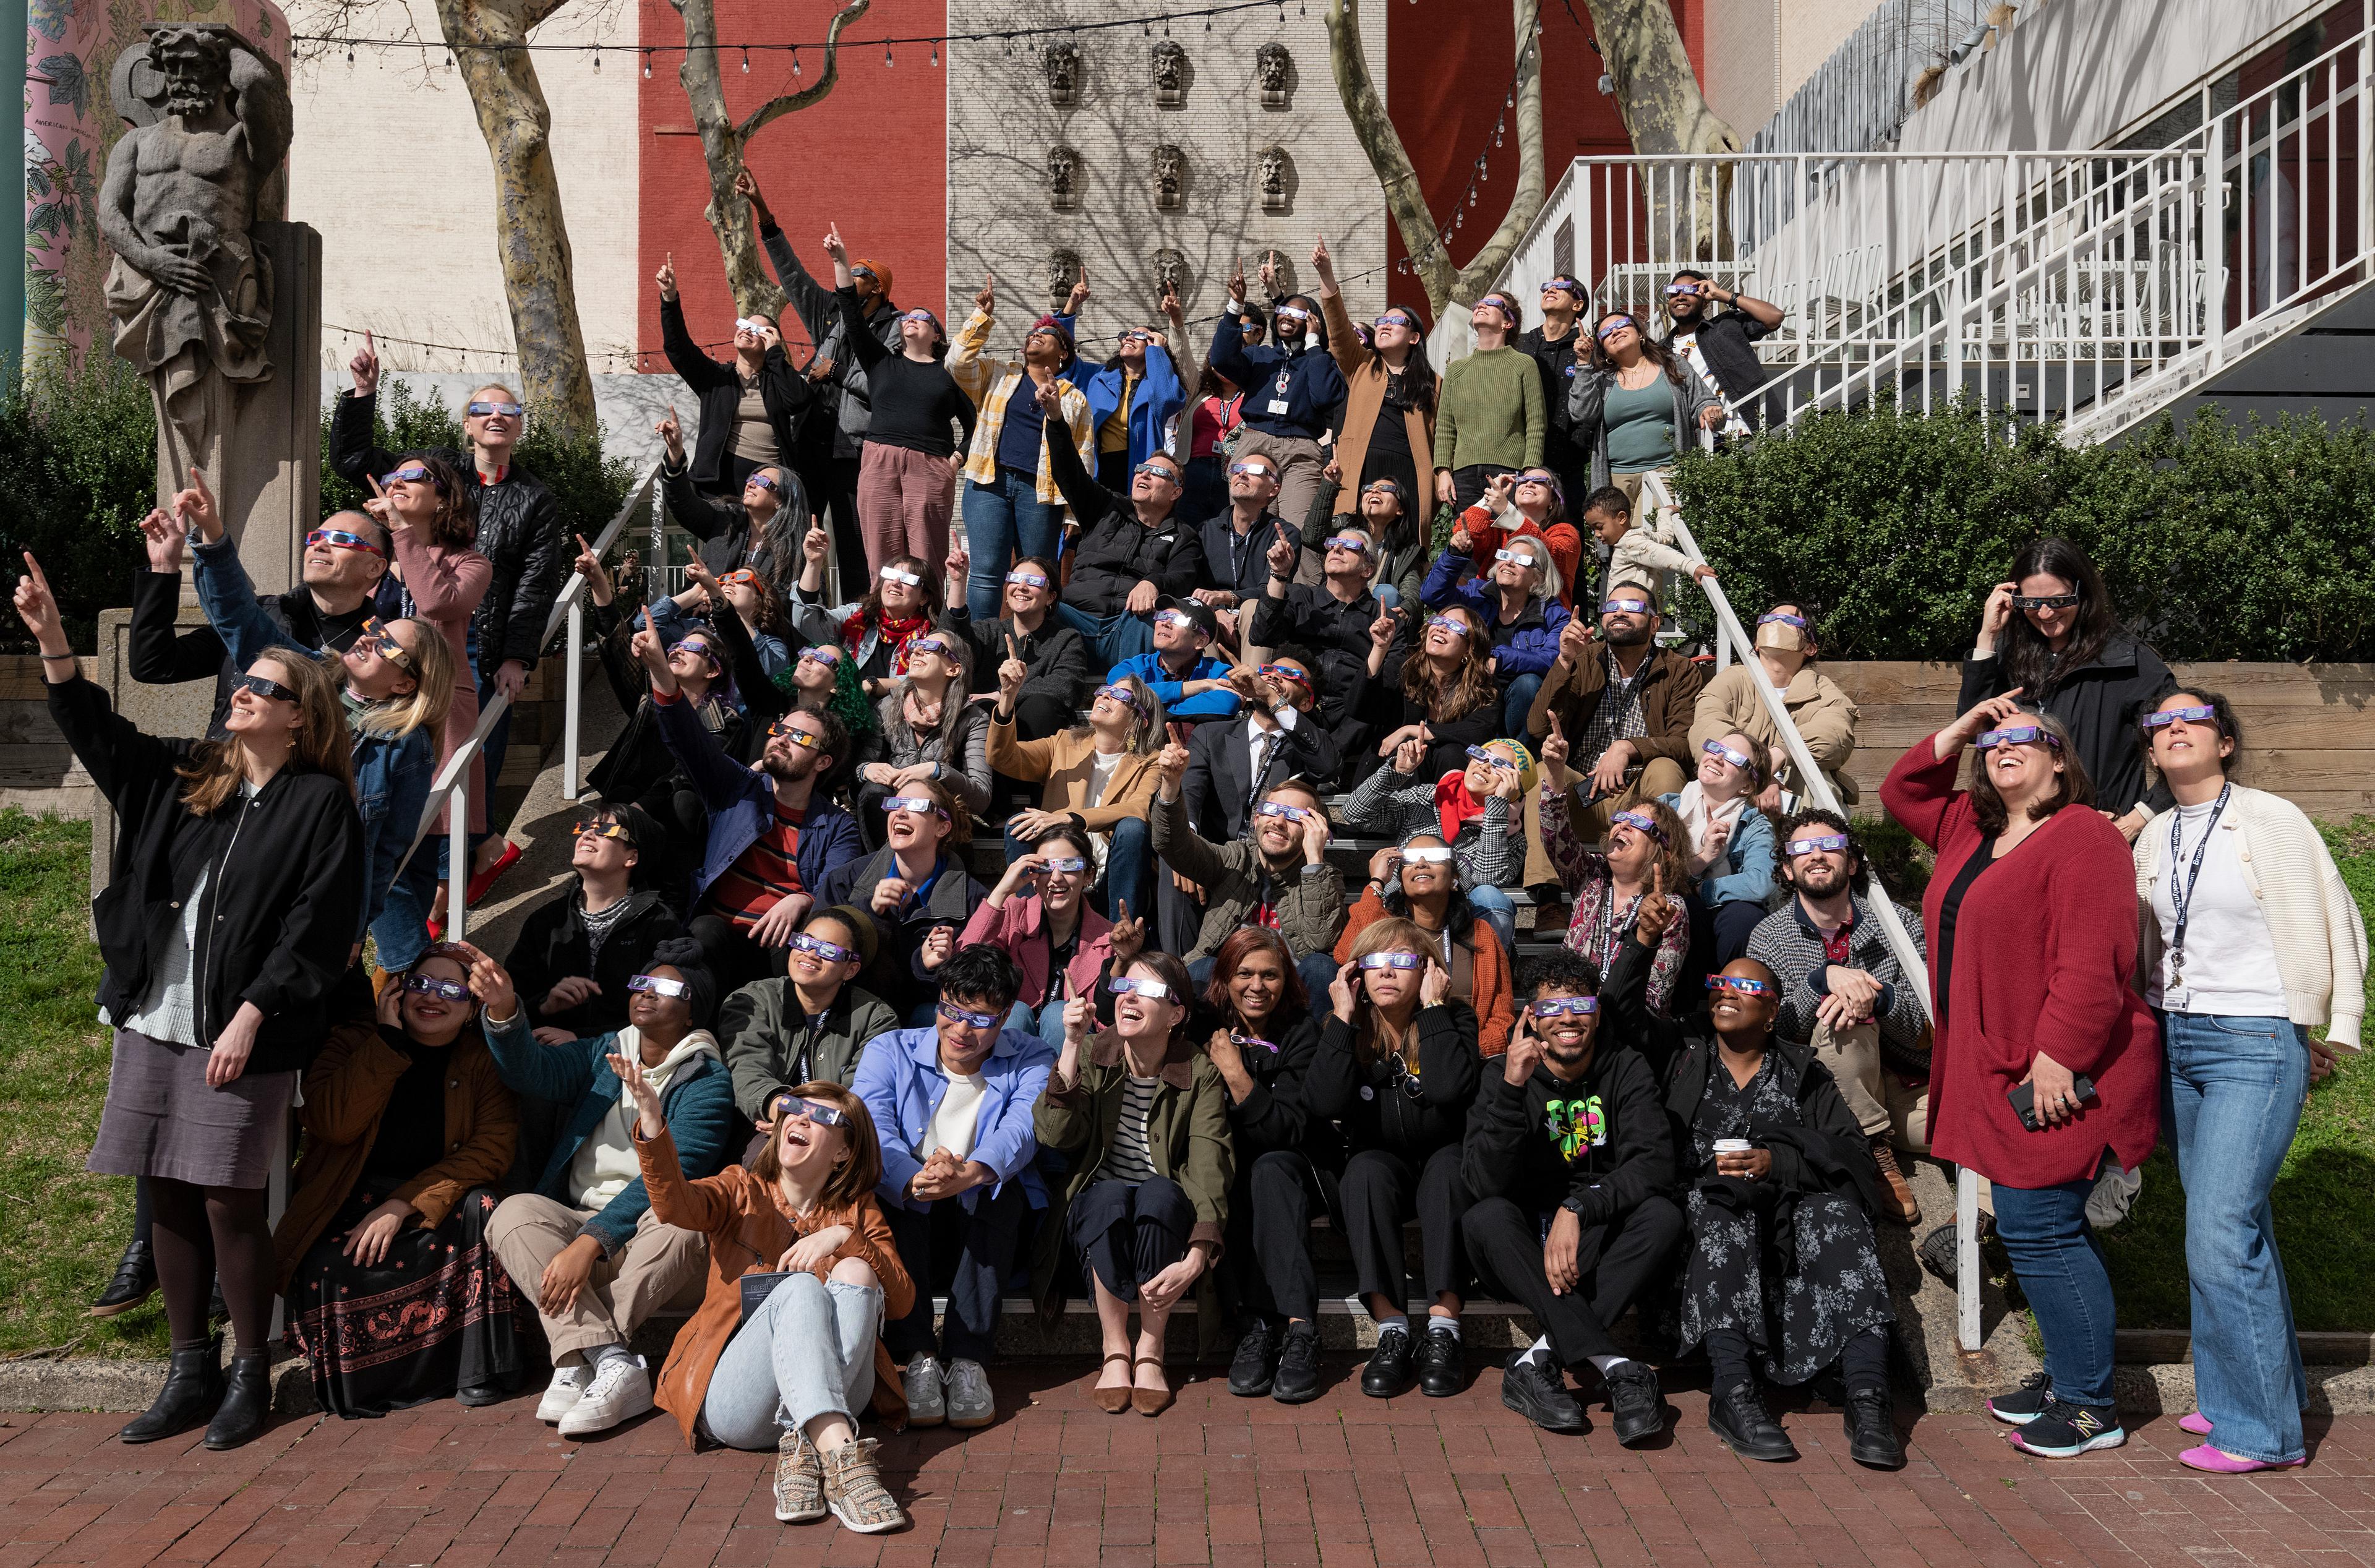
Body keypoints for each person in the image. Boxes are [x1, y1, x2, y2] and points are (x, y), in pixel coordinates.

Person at [22, 548, 363, 1449]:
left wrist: (253, 1013)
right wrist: (58, 645)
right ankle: (188, 1367)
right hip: (154, 1016)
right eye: (241, 680)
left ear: (299, 715)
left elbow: (317, 927)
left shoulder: (319, 804)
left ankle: (250, 1370)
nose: (241, 689)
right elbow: (104, 740)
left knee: (226, 1199)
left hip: (242, 1028)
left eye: (262, 683)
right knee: (165, 1193)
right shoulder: (192, 778)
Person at [1882, 696, 2162, 1459]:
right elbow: (1902, 791)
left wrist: (2059, 1053)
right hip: (1997, 1062)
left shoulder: (2082, 837)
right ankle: (2075, 1370)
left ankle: (2088, 1405)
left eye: (2024, 738)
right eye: (1994, 741)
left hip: (2054, 1069)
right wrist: (1961, 727)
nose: (2004, 747)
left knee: (2041, 1230)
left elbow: (2093, 959)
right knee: (2040, 1228)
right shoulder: (1970, 829)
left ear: (2060, 758)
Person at [2133, 690, 2364, 1473]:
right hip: (2179, 1037)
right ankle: (2250, 1392)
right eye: (2159, 724)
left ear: (2226, 741)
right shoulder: (2157, 833)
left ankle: (2263, 1434)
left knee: (2218, 1232)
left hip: (2253, 1040)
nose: (2173, 730)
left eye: (2190, 719)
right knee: (2236, 1225)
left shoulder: (2273, 818)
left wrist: (2324, 1022)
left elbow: (2332, 914)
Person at [1605, 903, 1906, 1471]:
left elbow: (1851, 1157)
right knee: (1721, 1209)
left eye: (1744, 986)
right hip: (1703, 1247)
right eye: (1720, 982)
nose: (1725, 992)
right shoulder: (1682, 1051)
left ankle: (1869, 1396)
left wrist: (1777, 1161)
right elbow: (1621, 1013)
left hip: (1787, 1240)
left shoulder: (1801, 1070)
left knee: (1839, 1214)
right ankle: (1733, 1391)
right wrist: (1643, 939)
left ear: (1772, 1013)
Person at [168, 497, 453, 975]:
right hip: (254, 860)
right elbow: (243, 621)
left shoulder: (407, 749)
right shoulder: (315, 684)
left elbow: (381, 853)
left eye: (386, 643)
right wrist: (214, 539)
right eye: (375, 631)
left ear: (406, 683)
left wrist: (355, 927)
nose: (367, 637)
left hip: (315, 899)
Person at [625, 1063, 914, 1535]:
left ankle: (806, 1443)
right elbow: (674, 1204)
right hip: (741, 1402)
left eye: (820, 1116)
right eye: (794, 1109)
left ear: (843, 1152)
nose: (799, 1119)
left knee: (858, 1267)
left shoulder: (858, 1209)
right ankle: (844, 1459)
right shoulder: (741, 1188)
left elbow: (901, 1302)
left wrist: (845, 1236)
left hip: (843, 1390)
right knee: (798, 1286)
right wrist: (653, 1118)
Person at [477, 940, 734, 1437]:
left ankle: (579, 1352)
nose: (645, 993)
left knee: (679, 1221)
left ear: (691, 1008)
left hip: (649, 1244)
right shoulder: (605, 1051)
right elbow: (532, 1072)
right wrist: (505, 1009)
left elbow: (672, 1178)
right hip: (578, 1225)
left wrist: (590, 1241)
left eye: (665, 987)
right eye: (641, 982)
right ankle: (610, 1358)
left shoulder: (708, 1080)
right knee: (512, 1212)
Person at [333, 351, 563, 901]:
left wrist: (519, 656)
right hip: (410, 639)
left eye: (508, 411)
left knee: (470, 765)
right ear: (467, 424)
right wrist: (364, 395)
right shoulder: (437, 470)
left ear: (519, 428)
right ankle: (468, 861)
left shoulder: (534, 498)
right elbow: (356, 458)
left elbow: (535, 582)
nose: (495, 417)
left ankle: (449, 882)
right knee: (419, 760)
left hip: (482, 646)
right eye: (483, 409)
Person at [278, 951, 521, 1422]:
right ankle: (366, 1385)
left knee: (486, 1205)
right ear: (397, 990)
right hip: (347, 1201)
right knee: (330, 1265)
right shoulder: (351, 1042)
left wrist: (403, 1203)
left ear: (472, 1008)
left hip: (432, 1204)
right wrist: (387, 1041)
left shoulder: (480, 1061)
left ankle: (477, 1371)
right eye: (422, 983)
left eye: (452, 990)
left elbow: (493, 1148)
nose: (433, 996)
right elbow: (333, 1123)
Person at [1458, 949, 1677, 1442]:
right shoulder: (1500, 1075)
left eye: (1579, 1003)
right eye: (1552, 1008)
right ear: (1531, 1018)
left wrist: (1579, 1207)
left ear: (1597, 1010)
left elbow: (1655, 1163)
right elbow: (1482, 1183)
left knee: (1662, 1215)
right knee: (1486, 1216)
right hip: (1519, 1247)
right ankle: (1615, 1363)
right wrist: (1513, 1089)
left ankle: (1537, 1360)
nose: (1568, 1018)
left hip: (1590, 1236)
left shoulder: (1626, 1067)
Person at [850, 943, 1055, 1431]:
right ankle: (919, 1356)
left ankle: (968, 1360)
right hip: (913, 1207)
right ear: (939, 1000)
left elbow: (1023, 1129)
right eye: (951, 1011)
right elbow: (872, 1124)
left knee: (1003, 1192)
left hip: (982, 1214)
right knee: (892, 1200)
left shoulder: (1032, 1056)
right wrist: (914, 1177)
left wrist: (972, 1172)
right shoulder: (890, 1049)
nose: (961, 1030)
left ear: (1007, 1015)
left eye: (980, 1019)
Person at [1034, 952, 1232, 1416]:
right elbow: (1055, 1136)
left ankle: (1151, 1348)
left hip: (1163, 1216)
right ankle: (1115, 1348)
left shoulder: (1198, 1070)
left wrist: (1199, 1253)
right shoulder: (1093, 1052)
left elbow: (1210, 1163)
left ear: (1177, 1013)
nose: (1129, 997)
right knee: (1107, 1196)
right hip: (1099, 1214)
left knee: (1159, 1192)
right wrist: (1070, 1043)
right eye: (1125, 987)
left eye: (1147, 991)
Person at [1305, 919, 1483, 1399]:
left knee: (1451, 1168)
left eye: (1403, 960)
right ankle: (1392, 1330)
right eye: (1375, 961)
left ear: (1428, 971)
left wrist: (1433, 1010)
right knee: (1362, 1170)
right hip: (1384, 1166)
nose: (1387, 971)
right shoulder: (1347, 1027)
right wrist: (1342, 1018)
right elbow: (1322, 1103)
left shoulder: (1455, 1019)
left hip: (1442, 1158)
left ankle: (1445, 1327)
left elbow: (1450, 1090)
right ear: (1356, 973)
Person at [642, 642, 863, 995]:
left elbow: (836, 889)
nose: (782, 740)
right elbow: (689, 739)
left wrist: (803, 898)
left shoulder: (838, 826)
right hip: (718, 941)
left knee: (799, 945)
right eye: (781, 731)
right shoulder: (739, 788)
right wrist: (659, 669)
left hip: (780, 949)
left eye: (800, 738)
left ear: (823, 762)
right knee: (704, 930)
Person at [1746, 812, 1932, 1227]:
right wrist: (1821, 980)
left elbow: (1927, 1032)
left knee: (1989, 1128)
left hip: (1908, 1087)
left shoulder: (1901, 926)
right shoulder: (1767, 936)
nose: (1816, 855)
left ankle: (1979, 1220)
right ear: (1787, 869)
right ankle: (1869, 1151)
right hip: (1829, 1095)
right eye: (1801, 849)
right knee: (1842, 1015)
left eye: (1829, 846)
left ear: (1851, 863)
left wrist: (1879, 1000)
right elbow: (1771, 1033)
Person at [739, 168, 905, 602]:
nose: (852, 273)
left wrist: (833, 373)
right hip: (811, 440)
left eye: (863, 272)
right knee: (796, 536)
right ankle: (789, 615)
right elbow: (791, 275)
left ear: (879, 289)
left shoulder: (895, 328)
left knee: (854, 544)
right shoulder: (829, 312)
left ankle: (855, 621)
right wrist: (763, 211)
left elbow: (885, 382)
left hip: (855, 450)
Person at [127, 482, 387, 737]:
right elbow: (155, 665)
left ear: (375, 567)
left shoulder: (381, 647)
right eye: (316, 537)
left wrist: (215, 539)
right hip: (226, 770)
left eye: (341, 539)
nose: (319, 545)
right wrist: (164, 569)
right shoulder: (264, 612)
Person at [1961, 538, 2175, 839]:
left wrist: (2137, 819)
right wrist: (1988, 637)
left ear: (2082, 592)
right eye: (2032, 603)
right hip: (2019, 836)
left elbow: (2190, 747)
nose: (2046, 614)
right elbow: (1975, 731)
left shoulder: (2129, 661)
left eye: (2059, 601)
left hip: (2094, 838)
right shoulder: (2008, 655)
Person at [1205, 929, 1337, 1404]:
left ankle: (1300, 1329)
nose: (1257, 985)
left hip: (1299, 1166)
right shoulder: (1208, 1022)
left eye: (1270, 974)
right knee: (1231, 1170)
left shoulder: (1301, 1031)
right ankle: (1256, 1326)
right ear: (1225, 977)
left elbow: (1285, 1129)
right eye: (1244, 973)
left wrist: (1236, 1073)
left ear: (1287, 981)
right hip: (1231, 1168)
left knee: (1268, 1167)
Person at [364, 454, 494, 901]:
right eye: (391, 476)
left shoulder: (470, 562)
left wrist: (401, 531)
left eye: (412, 476)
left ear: (443, 497)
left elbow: (439, 604)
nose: (396, 482)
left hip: (438, 708)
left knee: (438, 842)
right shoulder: (377, 562)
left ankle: (429, 952)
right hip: (378, 705)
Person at [1523, 588, 1705, 883]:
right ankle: (1548, 896)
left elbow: (1685, 743)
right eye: (1612, 606)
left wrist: (1626, 748)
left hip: (1642, 797)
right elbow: (1538, 728)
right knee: (1546, 771)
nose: (1620, 612)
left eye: (1632, 606)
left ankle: (1659, 885)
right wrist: (1565, 662)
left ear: (1655, 623)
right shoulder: (1584, 659)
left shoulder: (1679, 670)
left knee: (1666, 769)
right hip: (1584, 794)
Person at [823, 223, 974, 574]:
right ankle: (885, 624)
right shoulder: (880, 362)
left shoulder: (948, 375)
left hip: (931, 465)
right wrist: (841, 262)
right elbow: (852, 318)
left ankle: (932, 625)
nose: (912, 319)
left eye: (923, 318)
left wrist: (955, 460)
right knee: (880, 553)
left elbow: (975, 424)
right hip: (880, 460)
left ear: (936, 334)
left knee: (926, 557)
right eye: (909, 316)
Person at [946, 273, 1096, 622]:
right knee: (985, 572)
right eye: (1031, 334)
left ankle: (1034, 647)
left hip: (1041, 494)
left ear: (1063, 353)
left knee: (1036, 575)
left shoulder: (1073, 398)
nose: (1035, 336)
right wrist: (980, 318)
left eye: (1045, 334)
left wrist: (1075, 512)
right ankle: (981, 647)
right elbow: (955, 364)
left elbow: (1082, 458)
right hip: (988, 486)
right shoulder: (997, 374)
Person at [1149, 743, 1345, 1008]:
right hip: (1230, 987)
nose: (1278, 822)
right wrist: (1171, 786)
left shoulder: (1323, 876)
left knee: (1321, 967)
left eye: (1295, 816)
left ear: (1315, 829)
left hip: (1290, 995)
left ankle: (1317, 1048)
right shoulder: (1235, 858)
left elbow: (1323, 942)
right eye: (1272, 810)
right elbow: (1172, 844)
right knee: (1200, 969)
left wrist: (1314, 862)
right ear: (1256, 819)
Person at [1041, 384, 1210, 669]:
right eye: (1141, 468)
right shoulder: (1105, 506)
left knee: (1153, 616)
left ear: (1175, 492)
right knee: (1040, 603)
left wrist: (1152, 582)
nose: (1144, 474)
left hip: (1128, 625)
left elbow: (1182, 577)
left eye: (1157, 472)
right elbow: (1068, 471)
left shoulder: (1185, 536)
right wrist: (1057, 420)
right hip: (1077, 617)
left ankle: (1130, 695)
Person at [1538, 716, 1694, 1018]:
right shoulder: (1592, 879)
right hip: (1571, 1017)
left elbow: (1654, 998)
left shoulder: (1670, 909)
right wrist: (1556, 772)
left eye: (1637, 823)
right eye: (1620, 820)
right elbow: (1555, 836)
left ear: (1663, 848)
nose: (1622, 826)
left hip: (1628, 1032)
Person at [579, 543, 744, 820]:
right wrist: (597, 581)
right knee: (620, 794)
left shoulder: (725, 721)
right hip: (629, 809)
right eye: (677, 645)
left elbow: (686, 775)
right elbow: (616, 647)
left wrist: (639, 810)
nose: (678, 649)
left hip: (676, 820)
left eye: (691, 648)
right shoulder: (650, 700)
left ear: (712, 671)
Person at [987, 665, 1165, 921]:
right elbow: (1002, 757)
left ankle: (1121, 935)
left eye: (1120, 696)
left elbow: (1138, 808)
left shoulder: (1153, 761)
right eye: (1104, 690)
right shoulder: (1063, 743)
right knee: (1018, 826)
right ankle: (1031, 924)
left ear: (1141, 719)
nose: (1104, 696)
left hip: (1113, 877)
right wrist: (1007, 698)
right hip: (1059, 870)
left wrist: (1070, 818)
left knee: (1132, 828)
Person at [502, 804, 686, 1045]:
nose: (587, 834)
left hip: (624, 1059)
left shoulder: (658, 923)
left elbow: (664, 1013)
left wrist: (582, 1039)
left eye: (607, 830)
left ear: (632, 857)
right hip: (548, 1056)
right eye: (585, 827)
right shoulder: (546, 920)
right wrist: (545, 1005)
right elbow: (509, 1004)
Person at [813, 779, 989, 1021]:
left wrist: (932, 968)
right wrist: (868, 913)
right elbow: (817, 953)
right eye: (895, 803)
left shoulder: (972, 898)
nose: (901, 812)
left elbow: (974, 991)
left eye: (916, 805)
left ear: (942, 828)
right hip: (853, 1013)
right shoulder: (846, 880)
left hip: (925, 1017)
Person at [719, 906, 900, 1133]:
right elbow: (746, 1071)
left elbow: (860, 1094)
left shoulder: (876, 1018)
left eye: (829, 950)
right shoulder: (753, 1000)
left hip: (833, 1134)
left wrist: (806, 1120)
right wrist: (786, 1112)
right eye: (805, 942)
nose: (811, 954)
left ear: (851, 970)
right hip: (762, 1126)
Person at [1340, 735, 1528, 950]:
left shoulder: (1513, 839)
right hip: (1403, 907)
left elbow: (1488, 879)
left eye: (1500, 766)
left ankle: (1488, 971)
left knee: (1491, 897)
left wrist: (1497, 806)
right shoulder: (1427, 798)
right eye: (1481, 755)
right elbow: (1355, 814)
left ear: (1516, 785)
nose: (1485, 766)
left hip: (1459, 924)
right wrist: (1397, 772)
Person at [1336, 833, 1516, 1056]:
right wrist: (1377, 882)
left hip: (1464, 1060)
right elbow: (1345, 955)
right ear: (1401, 882)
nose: (1421, 863)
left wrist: (1467, 1055)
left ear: (1454, 880)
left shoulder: (1481, 933)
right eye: (1409, 860)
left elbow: (1502, 1017)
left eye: (1434, 857)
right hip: (1394, 1057)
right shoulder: (1385, 929)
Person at [651, 246, 807, 496]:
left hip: (771, 493)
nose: (746, 330)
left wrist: (776, 355)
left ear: (770, 341)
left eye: (757, 330)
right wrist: (670, 299)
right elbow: (677, 348)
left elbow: (800, 401)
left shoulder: (779, 382)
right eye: (744, 324)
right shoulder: (717, 379)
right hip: (718, 491)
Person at [1312, 237, 1435, 551]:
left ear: (1414, 337)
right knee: (1354, 539)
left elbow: (1444, 433)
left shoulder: (1434, 382)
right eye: (1382, 320)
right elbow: (1338, 331)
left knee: (1403, 545)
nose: (1384, 325)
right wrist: (1327, 277)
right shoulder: (1362, 366)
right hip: (1362, 464)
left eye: (1396, 321)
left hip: (1409, 469)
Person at [1208, 256, 1347, 528]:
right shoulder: (1260, 356)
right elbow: (1222, 360)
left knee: (1297, 528)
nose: (1288, 317)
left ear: (1312, 323)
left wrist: (1314, 345)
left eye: (1299, 315)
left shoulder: (1319, 360)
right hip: (1254, 441)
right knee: (1248, 524)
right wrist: (1235, 305)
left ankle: (1299, 573)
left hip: (1301, 449)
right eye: (1284, 311)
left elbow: (1325, 397)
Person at [963, 824, 1121, 1047]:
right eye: (1045, 867)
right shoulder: (1012, 914)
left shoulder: (1109, 938)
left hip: (1072, 1048)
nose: (1056, 878)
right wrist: (1001, 891)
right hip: (1012, 1035)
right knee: (1015, 1011)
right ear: (1033, 877)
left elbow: (1110, 1022)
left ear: (1088, 875)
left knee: (1059, 1015)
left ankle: (1060, 1083)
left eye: (1068, 865)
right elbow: (964, 968)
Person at [1692, 604, 1860, 808]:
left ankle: (1813, 838)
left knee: (1817, 776)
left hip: (1795, 795)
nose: (1776, 623)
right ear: (1756, 643)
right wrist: (1758, 774)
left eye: (1789, 620)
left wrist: (1779, 755)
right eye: (1769, 619)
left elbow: (1835, 734)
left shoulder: (1824, 691)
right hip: (1737, 786)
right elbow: (1706, 724)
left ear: (1810, 647)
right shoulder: (1731, 679)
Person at [1419, 517, 1571, 737]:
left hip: (1518, 698)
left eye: (1520, 560)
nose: (1509, 562)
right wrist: (1455, 555)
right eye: (1505, 555)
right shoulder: (1476, 594)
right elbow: (1432, 596)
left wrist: (1499, 660)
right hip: (1471, 687)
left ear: (1537, 578)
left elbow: (1553, 660)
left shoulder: (1554, 615)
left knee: (1527, 684)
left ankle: (1517, 754)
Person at [1248, 521, 1385, 766]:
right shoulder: (1301, 596)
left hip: (1352, 711)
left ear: (1367, 570)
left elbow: (1393, 673)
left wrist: (1381, 647)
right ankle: (1322, 764)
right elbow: (1261, 635)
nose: (1337, 549)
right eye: (1333, 544)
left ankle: (1328, 761)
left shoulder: (1383, 618)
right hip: (1298, 695)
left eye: (1350, 546)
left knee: (1377, 700)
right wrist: (1279, 576)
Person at [1568, 309, 1724, 505]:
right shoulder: (1600, 381)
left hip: (1665, 472)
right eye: (1606, 333)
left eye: (1621, 325)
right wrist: (1583, 363)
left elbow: (1702, 401)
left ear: (1640, 333)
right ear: (1604, 350)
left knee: (1651, 531)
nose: (1615, 332)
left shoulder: (1673, 365)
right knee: (1621, 536)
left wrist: (1709, 408)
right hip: (1614, 479)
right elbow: (1581, 414)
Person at [850, 630, 990, 846]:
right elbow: (858, 770)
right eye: (916, 646)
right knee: (873, 792)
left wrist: (937, 770)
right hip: (893, 814)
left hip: (939, 820)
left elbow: (981, 797)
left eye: (932, 648)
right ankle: (883, 868)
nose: (917, 651)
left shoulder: (973, 718)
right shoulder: (887, 707)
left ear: (954, 669)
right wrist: (866, 769)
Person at [936, 552, 1092, 743]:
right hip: (987, 738)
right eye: (1015, 579)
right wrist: (959, 582)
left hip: (1036, 741)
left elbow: (1066, 687)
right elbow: (950, 643)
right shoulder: (989, 631)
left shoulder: (1066, 639)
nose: (1022, 587)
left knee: (1041, 706)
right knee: (981, 708)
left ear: (1050, 597)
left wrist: (1003, 694)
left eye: (1034, 581)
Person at [654, 406, 808, 585]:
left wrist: (721, 597)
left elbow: (788, 604)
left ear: (781, 501)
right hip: (697, 613)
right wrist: (675, 453)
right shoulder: (723, 518)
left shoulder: (795, 552)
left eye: (763, 482)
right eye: (753, 478)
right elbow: (681, 502)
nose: (751, 483)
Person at [1662, 730, 1779, 966]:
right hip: (1676, 913)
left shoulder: (1754, 823)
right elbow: (1651, 871)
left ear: (1747, 786)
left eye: (1733, 757)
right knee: (1682, 906)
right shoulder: (1664, 807)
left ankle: (1731, 992)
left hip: (1723, 918)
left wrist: (1702, 890)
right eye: (1715, 748)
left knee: (1743, 917)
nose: (1717, 757)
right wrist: (1705, 858)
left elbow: (1761, 882)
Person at [1432, 292, 1546, 513]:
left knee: (1507, 541)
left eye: (1492, 303)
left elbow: (1536, 422)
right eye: (1478, 304)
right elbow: (1445, 427)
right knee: (1468, 542)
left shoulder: (1524, 365)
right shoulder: (1456, 370)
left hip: (1510, 471)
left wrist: (1530, 470)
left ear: (1508, 322)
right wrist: (1443, 471)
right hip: (1463, 475)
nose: (1481, 306)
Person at [790, 541, 946, 696]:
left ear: (924, 597)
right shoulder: (855, 615)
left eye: (908, 579)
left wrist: (874, 685)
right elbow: (807, 622)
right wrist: (814, 563)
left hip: (894, 716)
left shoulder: (932, 637)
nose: (896, 583)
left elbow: (925, 681)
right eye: (891, 575)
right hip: (844, 710)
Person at [1375, 603, 1501, 781]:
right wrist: (1379, 649)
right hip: (1394, 777)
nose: (1442, 628)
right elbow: (1360, 708)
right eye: (1439, 620)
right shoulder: (1405, 669)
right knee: (1410, 747)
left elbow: (1480, 730)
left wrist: (1410, 730)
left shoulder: (1483, 684)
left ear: (1469, 648)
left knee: (1451, 751)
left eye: (1455, 626)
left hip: (1449, 769)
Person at [1084, 283, 1191, 488]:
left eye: (1140, 335)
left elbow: (1169, 399)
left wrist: (1157, 352)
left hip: (1140, 470)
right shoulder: (1101, 380)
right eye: (1127, 334)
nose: (1129, 338)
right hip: (1101, 468)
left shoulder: (1154, 384)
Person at [1190, 450, 1301, 643]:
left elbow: (1270, 592)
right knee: (1198, 612)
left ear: (1274, 489)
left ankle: (1254, 675)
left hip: (1258, 619)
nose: (1242, 474)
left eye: (1255, 470)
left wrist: (1226, 597)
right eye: (1238, 469)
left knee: (1252, 608)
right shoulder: (1205, 530)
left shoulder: (1284, 535)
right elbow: (1197, 587)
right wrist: (1217, 611)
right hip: (1213, 614)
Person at [1662, 270, 1784, 435]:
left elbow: (1774, 317)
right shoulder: (1660, 351)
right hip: (1698, 443)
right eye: (1674, 292)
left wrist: (1721, 294)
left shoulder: (1726, 326)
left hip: (1749, 433)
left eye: (1689, 291)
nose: (1680, 296)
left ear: (1705, 302)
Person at [1447, 468, 1586, 612]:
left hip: (1544, 624)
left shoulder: (1566, 533)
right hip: (1493, 620)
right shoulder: (1498, 533)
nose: (1530, 484)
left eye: (1540, 481)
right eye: (1523, 481)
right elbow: (1465, 533)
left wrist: (1508, 512)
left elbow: (1553, 555)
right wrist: (1487, 499)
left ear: (1553, 499)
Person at [1516, 273, 1594, 505]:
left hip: (1568, 464)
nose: (1551, 289)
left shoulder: (1587, 348)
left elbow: (1593, 403)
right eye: (1548, 286)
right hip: (1523, 458)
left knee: (1567, 533)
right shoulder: (1521, 344)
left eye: (1561, 287)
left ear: (1577, 305)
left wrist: (1581, 443)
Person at [1106, 596, 1243, 722]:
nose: (1165, 623)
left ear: (1200, 641)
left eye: (1179, 620)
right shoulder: (1133, 667)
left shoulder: (1219, 672)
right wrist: (1202, 685)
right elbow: (1119, 690)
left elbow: (1227, 703)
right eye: (1163, 615)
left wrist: (1151, 708)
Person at [1578, 482, 1706, 606]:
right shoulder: (1640, 537)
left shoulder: (1630, 543)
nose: (1597, 534)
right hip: (1638, 612)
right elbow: (1665, 538)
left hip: (1630, 612)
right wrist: (1664, 514)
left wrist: (1691, 567)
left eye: (1599, 527)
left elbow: (1661, 554)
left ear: (1622, 518)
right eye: (1592, 530)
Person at [1179, 361, 1246, 523]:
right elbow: (1182, 358)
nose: (1223, 365)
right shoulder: (1199, 392)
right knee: (1188, 527)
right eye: (1218, 360)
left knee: (1225, 528)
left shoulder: (1253, 397)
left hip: (1233, 472)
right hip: (1193, 469)